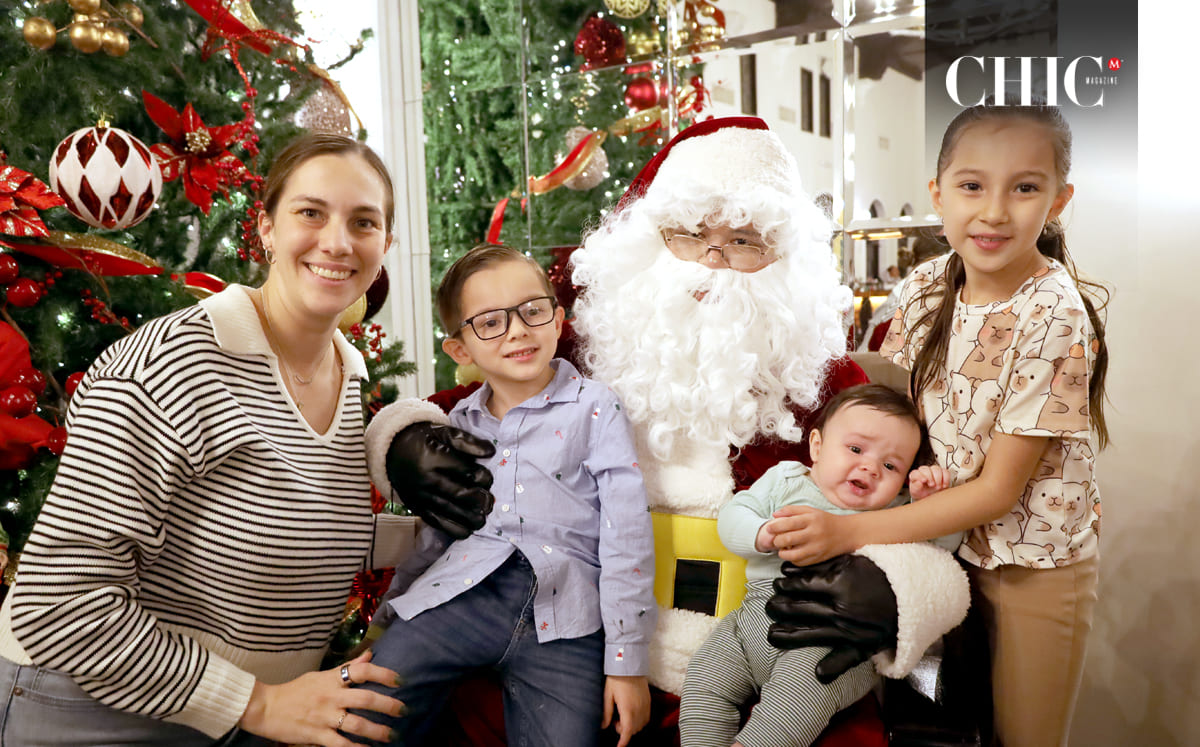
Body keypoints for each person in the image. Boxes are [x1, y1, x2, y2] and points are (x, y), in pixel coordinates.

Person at [367, 117, 970, 745]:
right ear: (648, 243)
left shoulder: (834, 386)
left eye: (743, 240)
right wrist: (407, 442)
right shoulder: (575, 354)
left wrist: (894, 587)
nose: (713, 262)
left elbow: (926, 506)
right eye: (689, 235)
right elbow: (444, 405)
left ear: (786, 260)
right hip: (588, 655)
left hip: (766, 673)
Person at [0, 133, 483, 747]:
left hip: (237, 718)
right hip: (90, 710)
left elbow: (287, 527)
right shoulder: (168, 365)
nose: (337, 242)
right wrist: (254, 705)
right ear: (266, 230)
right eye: (310, 213)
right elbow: (58, 608)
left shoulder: (345, 370)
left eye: (364, 222)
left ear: (385, 245)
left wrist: (427, 491)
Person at [766, 101, 1109, 747]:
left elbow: (996, 492)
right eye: (972, 185)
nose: (994, 210)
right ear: (938, 192)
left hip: (1027, 565)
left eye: (1025, 187)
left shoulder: (1054, 313)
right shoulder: (926, 285)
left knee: (1019, 734)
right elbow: (899, 416)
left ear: (1058, 200)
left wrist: (848, 530)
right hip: (936, 546)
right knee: (934, 726)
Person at [350, 244, 657, 747]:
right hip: (462, 596)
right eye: (490, 322)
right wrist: (390, 614)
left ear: (558, 320)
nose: (517, 330)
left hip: (567, 615)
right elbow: (439, 533)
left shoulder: (596, 408)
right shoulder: (457, 426)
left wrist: (626, 663)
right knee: (366, 706)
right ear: (461, 351)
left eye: (532, 311)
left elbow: (626, 535)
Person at [681, 383, 958, 747]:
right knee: (704, 681)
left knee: (793, 705)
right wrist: (760, 533)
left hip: (831, 642)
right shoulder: (786, 480)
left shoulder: (894, 514)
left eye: (891, 465)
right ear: (817, 447)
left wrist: (928, 505)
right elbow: (735, 514)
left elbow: (940, 549)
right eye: (856, 448)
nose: (870, 467)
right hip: (750, 621)